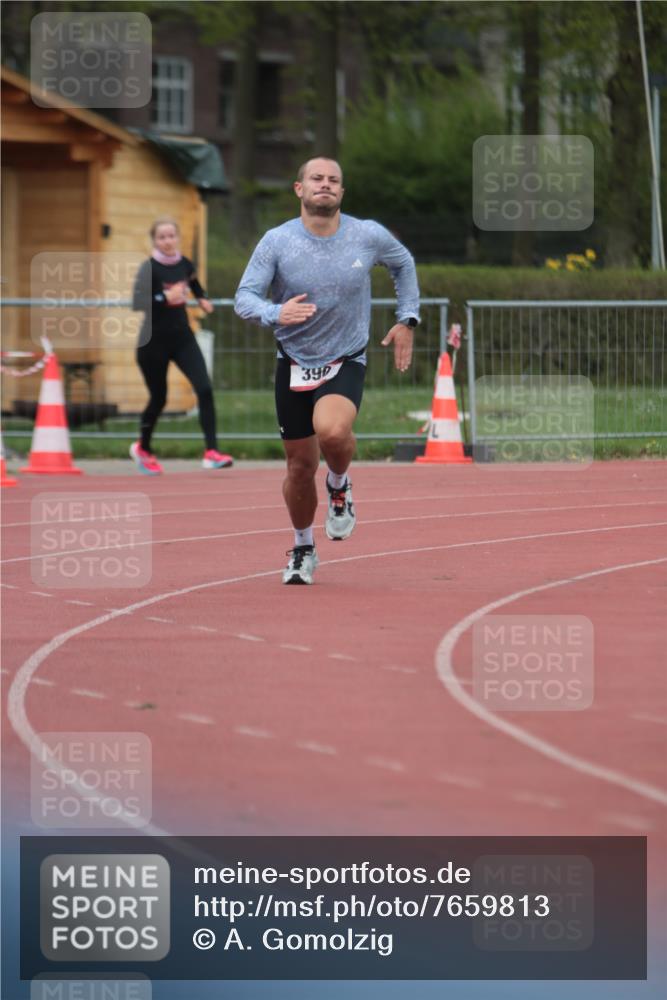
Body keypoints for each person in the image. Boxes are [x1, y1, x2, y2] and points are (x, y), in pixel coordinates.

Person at [234, 157, 420, 584]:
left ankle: (338, 483)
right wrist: (275, 312)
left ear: (342, 192)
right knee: (299, 469)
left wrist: (407, 319)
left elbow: (404, 264)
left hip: (345, 357)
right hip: (293, 361)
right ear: (299, 188)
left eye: (334, 180)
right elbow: (244, 298)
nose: (325, 184)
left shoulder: (366, 235)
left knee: (332, 432)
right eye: (316, 178)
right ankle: (303, 548)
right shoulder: (277, 241)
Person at [130, 218, 233, 474]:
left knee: (204, 388)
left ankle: (212, 452)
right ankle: (143, 448)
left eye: (171, 236)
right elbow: (137, 302)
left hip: (182, 339)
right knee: (159, 398)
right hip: (152, 342)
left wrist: (203, 299)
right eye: (162, 237)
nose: (167, 241)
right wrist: (164, 296)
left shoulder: (185, 264)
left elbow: (195, 285)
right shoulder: (149, 268)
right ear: (155, 241)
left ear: (177, 237)